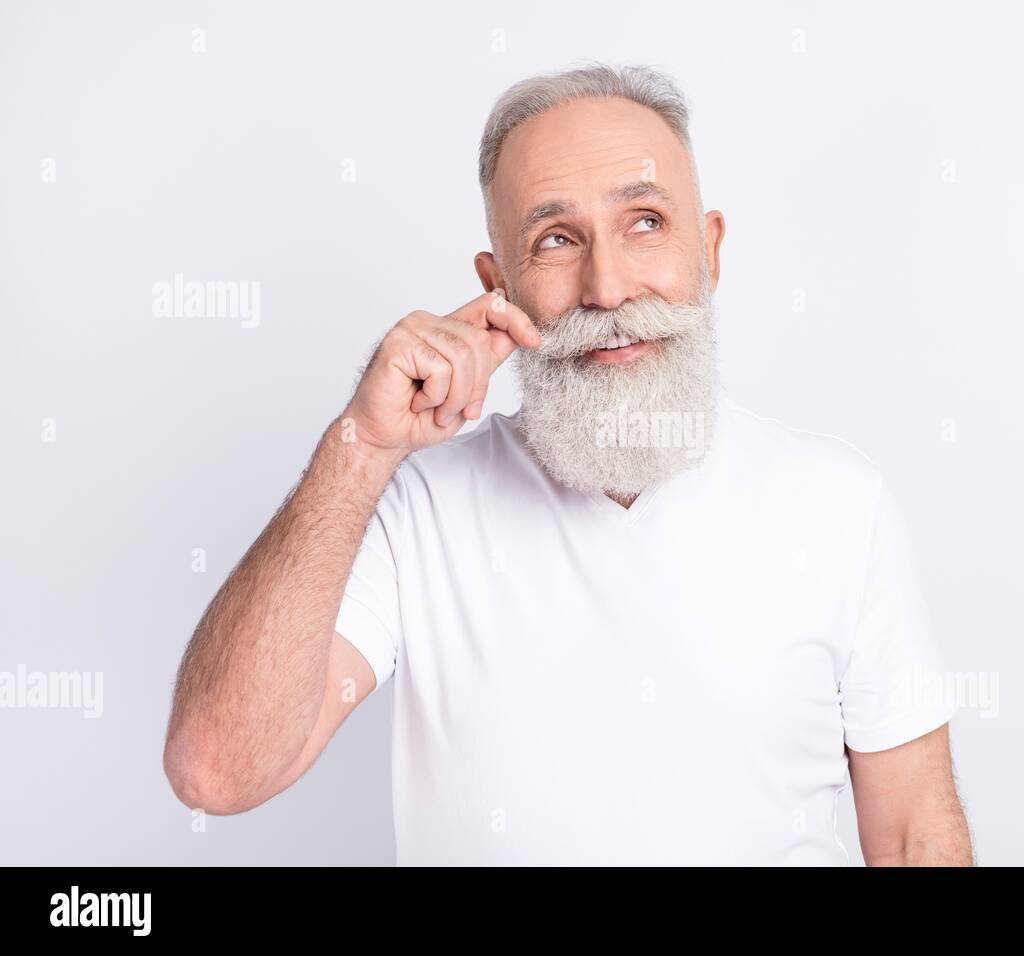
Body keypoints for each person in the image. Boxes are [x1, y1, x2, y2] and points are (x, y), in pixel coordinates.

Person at [164, 62, 972, 866]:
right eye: (556, 240)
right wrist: (362, 448)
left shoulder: (836, 505)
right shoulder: (420, 509)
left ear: (710, 252)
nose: (608, 287)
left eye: (646, 222)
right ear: (499, 286)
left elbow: (912, 837)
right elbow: (217, 771)